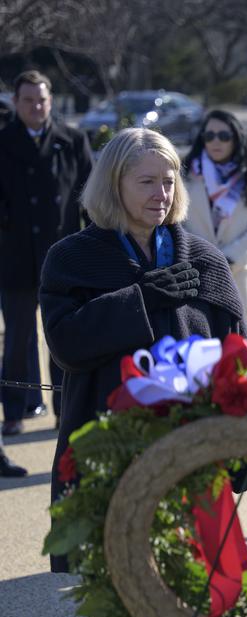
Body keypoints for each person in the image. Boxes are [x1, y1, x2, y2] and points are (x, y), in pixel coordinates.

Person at [40, 127, 247, 617]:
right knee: (122, 598)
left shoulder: (203, 260)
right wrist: (138, 299)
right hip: (109, 461)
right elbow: (68, 342)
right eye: (146, 181)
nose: (161, 194)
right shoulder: (74, 258)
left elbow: (234, 353)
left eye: (169, 181)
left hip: (191, 460)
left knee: (188, 593)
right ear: (114, 184)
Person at [0, 70, 93, 435]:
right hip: (16, 258)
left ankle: (66, 411)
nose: (36, 107)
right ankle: (14, 414)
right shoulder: (3, 142)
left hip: (64, 259)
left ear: (51, 101)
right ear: (16, 103)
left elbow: (92, 198)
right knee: (18, 340)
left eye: (41, 100)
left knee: (64, 341)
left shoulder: (71, 140)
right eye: (28, 100)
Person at [182, 109, 247, 348]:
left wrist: (226, 260)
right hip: (195, 273)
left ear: (236, 138)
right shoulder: (186, 176)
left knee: (244, 346)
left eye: (223, 136)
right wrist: (202, 260)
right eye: (209, 136)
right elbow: (177, 224)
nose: (216, 141)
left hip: (238, 273)